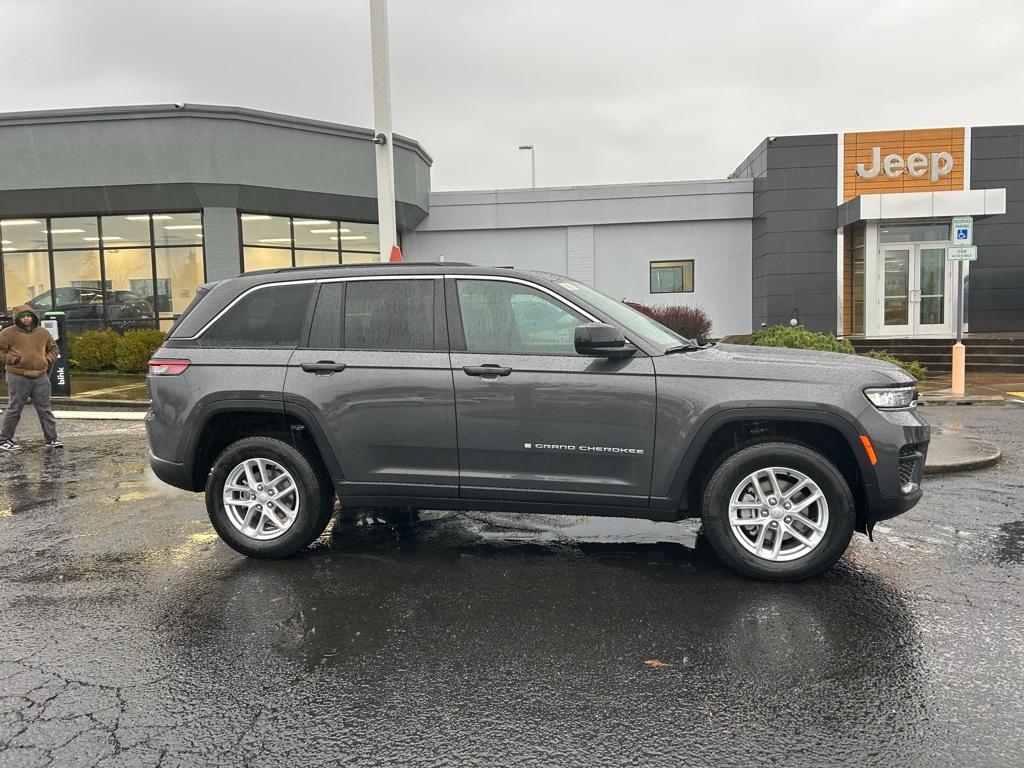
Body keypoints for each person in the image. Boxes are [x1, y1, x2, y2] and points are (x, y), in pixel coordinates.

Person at [0, 305, 62, 450]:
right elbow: (1, 352)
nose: (26, 318)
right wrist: (13, 359)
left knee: (45, 409)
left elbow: (53, 349)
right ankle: (4, 440)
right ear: (17, 318)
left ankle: (52, 439)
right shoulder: (7, 333)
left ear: (33, 317)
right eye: (23, 316)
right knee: (15, 408)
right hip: (17, 375)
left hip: (40, 376)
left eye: (29, 315)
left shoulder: (43, 332)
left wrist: (47, 360)